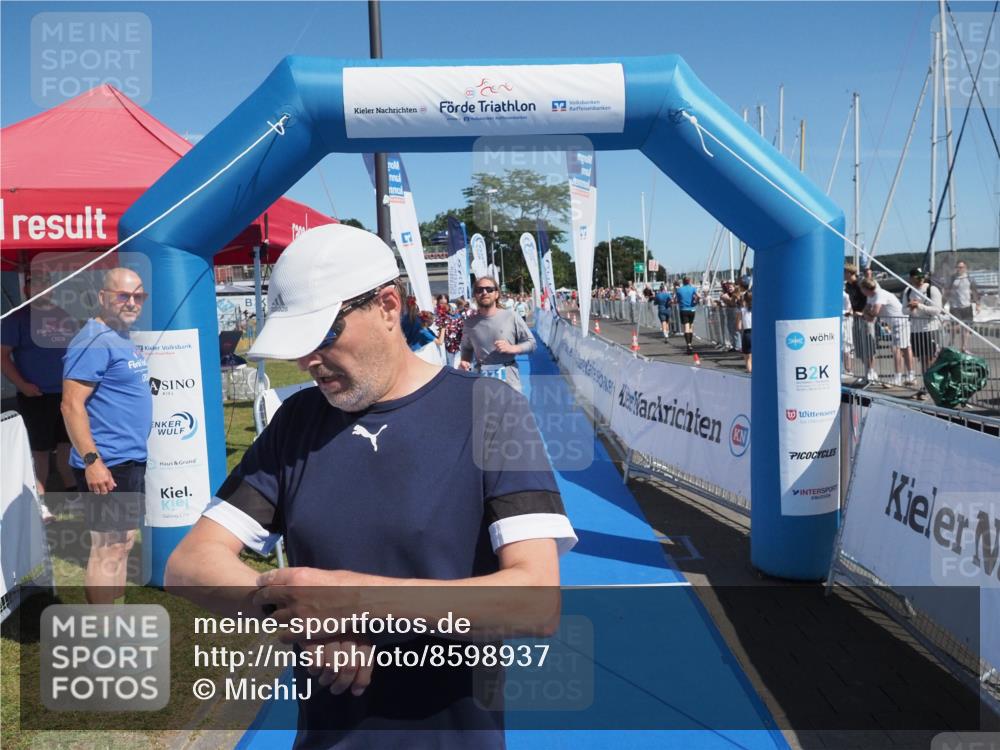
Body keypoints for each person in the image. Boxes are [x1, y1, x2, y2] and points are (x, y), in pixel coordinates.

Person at [164, 225, 576, 749]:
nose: (307, 361)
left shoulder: (490, 411)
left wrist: (353, 602)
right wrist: (299, 616)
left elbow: (537, 602)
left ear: (387, 306)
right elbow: (190, 562)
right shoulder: (297, 421)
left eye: (324, 336)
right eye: (297, 344)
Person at [61, 268, 152, 604]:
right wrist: (92, 462)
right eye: (123, 295)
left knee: (123, 541)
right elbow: (71, 405)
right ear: (103, 297)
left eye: (138, 295)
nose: (132, 302)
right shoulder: (93, 341)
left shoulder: (120, 336)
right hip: (107, 463)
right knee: (107, 547)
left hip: (129, 459)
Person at [1, 270, 80, 522]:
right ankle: (40, 502)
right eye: (37, 284)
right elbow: (2, 355)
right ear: (26, 289)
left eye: (47, 283)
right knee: (40, 451)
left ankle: (73, 495)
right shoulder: (17, 319)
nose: (43, 288)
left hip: (65, 394)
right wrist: (22, 385)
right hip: (36, 395)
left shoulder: (62, 315)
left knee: (68, 446)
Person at [459, 275, 536, 393]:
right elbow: (466, 348)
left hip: (509, 378)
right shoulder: (469, 323)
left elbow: (532, 343)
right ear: (475, 295)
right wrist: (465, 360)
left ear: (496, 294)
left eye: (489, 289)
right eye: (479, 290)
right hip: (481, 378)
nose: (484, 292)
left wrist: (513, 348)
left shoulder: (511, 316)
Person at [860, 277, 913, 386]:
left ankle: (898, 377)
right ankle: (909, 375)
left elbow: (874, 312)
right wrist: (867, 313)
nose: (862, 292)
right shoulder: (870, 296)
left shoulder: (880, 294)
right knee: (905, 347)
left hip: (900, 322)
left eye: (862, 289)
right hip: (895, 323)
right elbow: (867, 311)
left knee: (897, 349)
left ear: (866, 289)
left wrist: (867, 313)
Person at [903, 267, 943, 396]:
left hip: (930, 328)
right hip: (916, 329)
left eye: (922, 276)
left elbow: (937, 310)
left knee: (931, 358)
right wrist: (911, 307)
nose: (920, 279)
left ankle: (932, 385)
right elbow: (903, 311)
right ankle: (927, 385)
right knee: (923, 359)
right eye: (917, 276)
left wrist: (919, 305)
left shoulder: (932, 289)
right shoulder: (908, 291)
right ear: (911, 277)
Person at [945, 260, 980, 352]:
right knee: (955, 327)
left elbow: (975, 292)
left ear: (965, 268)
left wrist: (977, 304)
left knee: (967, 327)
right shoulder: (952, 278)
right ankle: (951, 344)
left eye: (961, 267)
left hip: (967, 306)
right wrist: (942, 304)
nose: (959, 269)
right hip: (955, 307)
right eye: (958, 267)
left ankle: (964, 347)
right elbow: (947, 293)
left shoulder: (970, 278)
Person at [675, 276, 700, 355]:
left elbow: (677, 300)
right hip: (692, 309)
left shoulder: (679, 290)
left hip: (683, 310)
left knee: (686, 327)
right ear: (689, 281)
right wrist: (696, 302)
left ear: (683, 282)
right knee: (691, 326)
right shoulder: (693, 288)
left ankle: (688, 344)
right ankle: (690, 344)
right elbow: (698, 296)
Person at [738, 291, 752, 373]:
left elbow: (738, 326)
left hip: (747, 333)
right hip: (757, 333)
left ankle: (750, 373)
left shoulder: (742, 311)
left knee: (747, 357)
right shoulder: (758, 310)